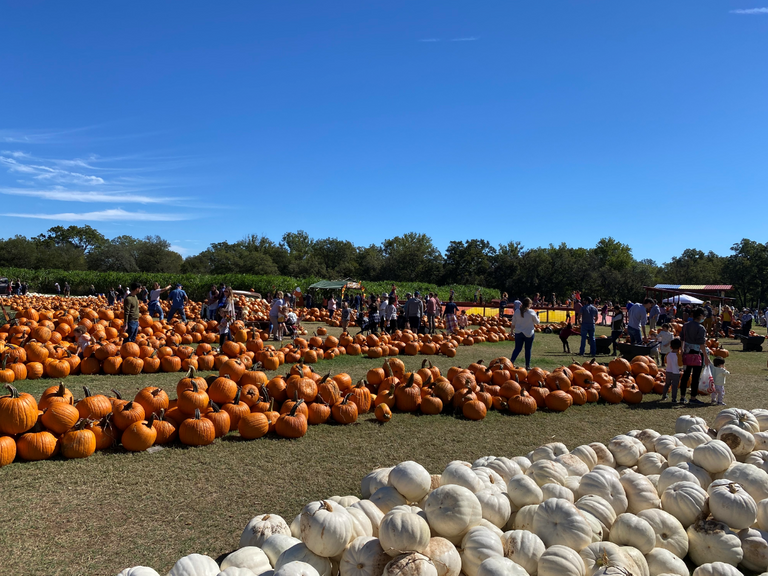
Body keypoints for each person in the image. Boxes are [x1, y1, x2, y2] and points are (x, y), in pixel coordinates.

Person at [680, 306, 709, 405]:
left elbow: (682, 339)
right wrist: (706, 357)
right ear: (700, 315)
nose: (704, 317)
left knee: (686, 375)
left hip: (687, 352)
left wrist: (682, 350)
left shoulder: (686, 325)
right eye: (704, 315)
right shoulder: (701, 328)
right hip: (697, 354)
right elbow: (702, 344)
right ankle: (693, 397)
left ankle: (682, 397)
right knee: (696, 376)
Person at [509, 297, 539, 370]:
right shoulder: (531, 312)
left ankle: (511, 363)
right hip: (529, 333)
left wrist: (512, 331)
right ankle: (527, 365)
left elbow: (513, 323)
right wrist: (538, 316)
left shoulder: (517, 311)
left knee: (517, 348)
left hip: (518, 332)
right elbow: (537, 322)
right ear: (529, 304)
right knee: (528, 349)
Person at [660, 338, 683, 402]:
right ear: (679, 348)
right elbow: (680, 364)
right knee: (675, 386)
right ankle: (674, 399)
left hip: (668, 371)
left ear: (670, 347)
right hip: (675, 373)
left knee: (667, 384)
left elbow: (665, 361)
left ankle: (664, 395)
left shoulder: (668, 354)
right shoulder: (678, 355)